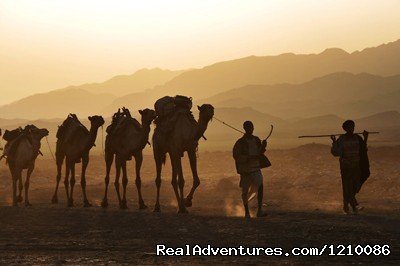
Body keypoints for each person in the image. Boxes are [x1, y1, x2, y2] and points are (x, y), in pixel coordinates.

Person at [233, 121, 271, 218]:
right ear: (245, 128)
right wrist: (248, 158)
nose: (251, 129)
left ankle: (259, 211)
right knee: (245, 192)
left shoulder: (256, 140)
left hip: (256, 168)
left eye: (252, 127)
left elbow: (260, 153)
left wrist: (263, 146)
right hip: (246, 170)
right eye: (249, 127)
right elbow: (236, 156)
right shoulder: (240, 142)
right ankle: (246, 213)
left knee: (260, 186)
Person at [331, 120, 369, 215]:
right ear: (345, 128)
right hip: (346, 166)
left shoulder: (357, 138)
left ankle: (347, 205)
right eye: (350, 127)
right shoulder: (342, 139)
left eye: (353, 126)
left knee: (355, 185)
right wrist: (334, 142)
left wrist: (365, 138)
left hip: (356, 165)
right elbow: (335, 153)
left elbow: (363, 149)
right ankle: (352, 206)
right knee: (347, 186)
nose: (352, 128)